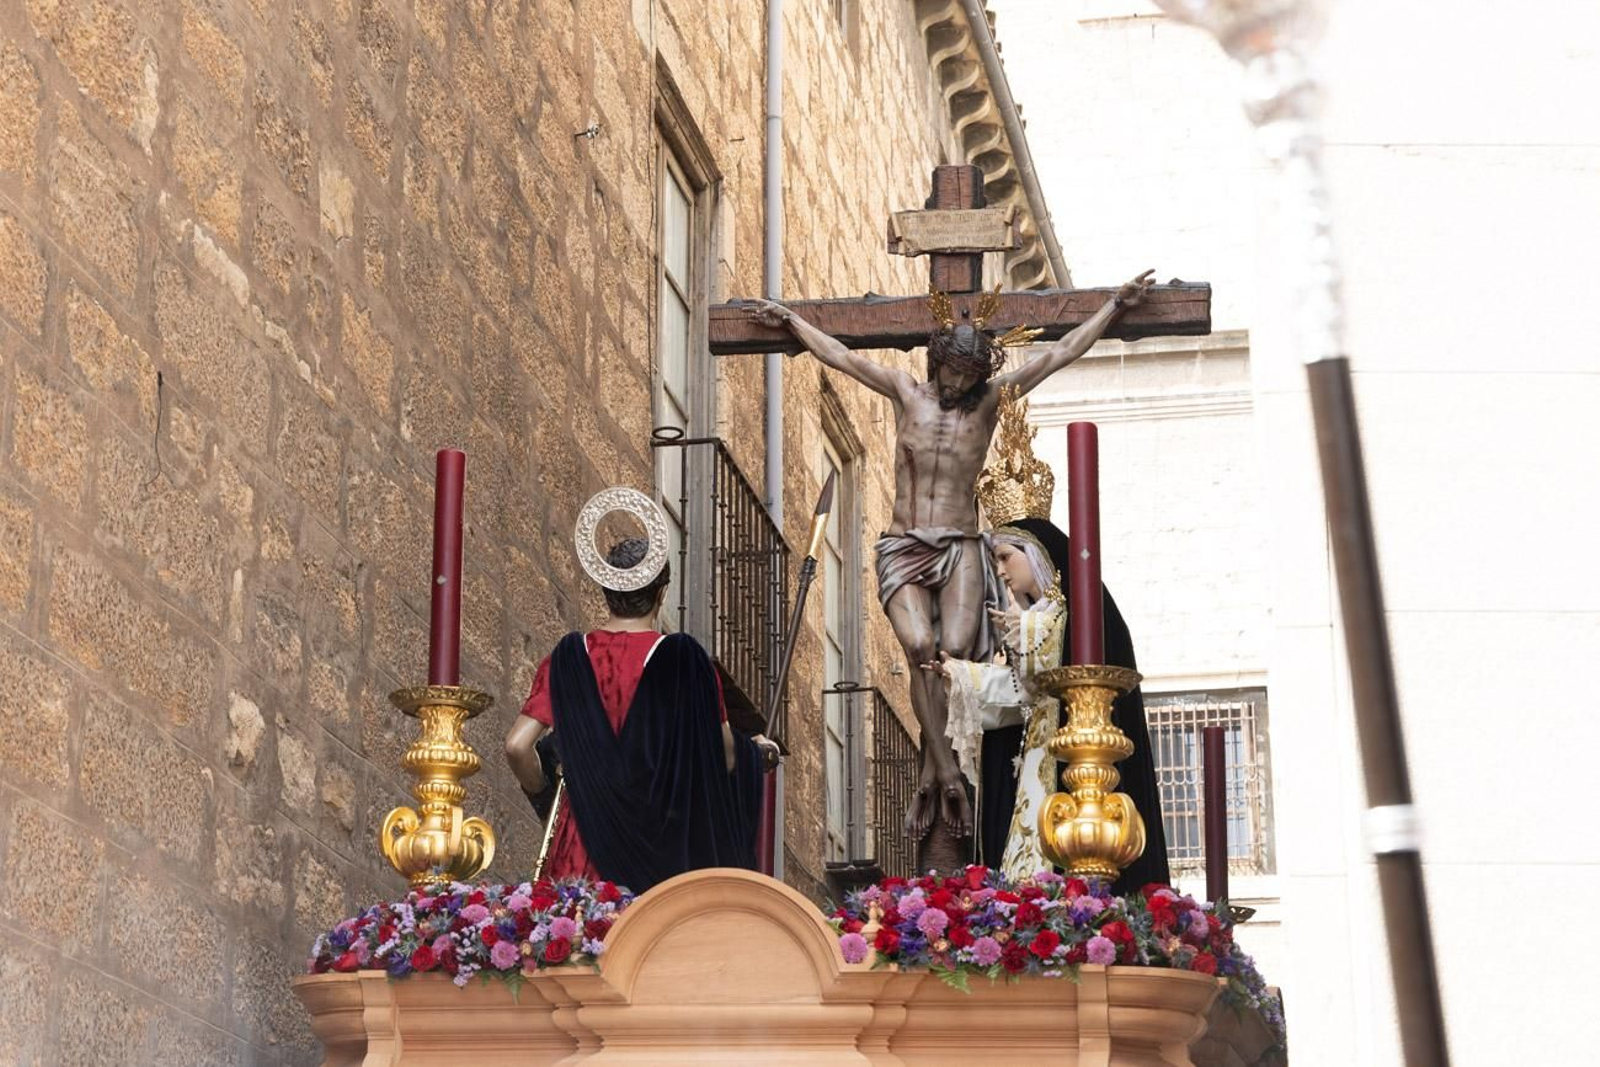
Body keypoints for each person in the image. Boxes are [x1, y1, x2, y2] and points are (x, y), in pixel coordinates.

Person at [747, 270, 1154, 870]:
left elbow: (1061, 352)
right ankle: (943, 772)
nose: (959, 384)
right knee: (918, 647)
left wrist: (1114, 306)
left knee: (955, 660)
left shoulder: (988, 403)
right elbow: (840, 356)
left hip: (962, 544)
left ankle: (941, 773)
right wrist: (791, 322)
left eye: (970, 376)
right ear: (936, 362)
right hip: (904, 542)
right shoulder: (904, 392)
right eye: (953, 373)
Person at [505, 534, 780, 892]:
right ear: (661, 592)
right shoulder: (685, 661)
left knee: (575, 924)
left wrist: (546, 796)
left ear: (606, 589)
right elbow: (724, 757)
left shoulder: (569, 658)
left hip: (580, 842)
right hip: (662, 847)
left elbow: (517, 746)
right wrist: (756, 751)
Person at [929, 514, 1171, 894]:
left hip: (1077, 766)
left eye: (1006, 557)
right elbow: (1024, 691)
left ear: (1036, 553)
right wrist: (961, 676)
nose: (1001, 571)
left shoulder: (1078, 615)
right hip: (1039, 761)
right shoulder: (1036, 620)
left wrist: (1026, 630)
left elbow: (1059, 660)